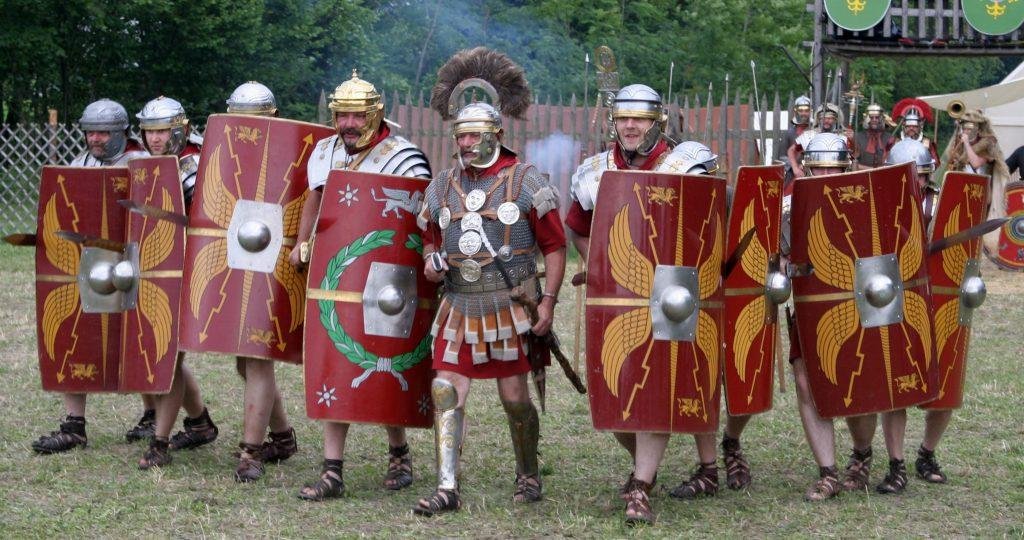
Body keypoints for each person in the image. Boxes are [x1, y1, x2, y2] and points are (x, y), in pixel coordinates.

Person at [412, 47, 565, 516]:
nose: (465, 143)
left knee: (515, 398)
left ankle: (528, 473)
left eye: (475, 134)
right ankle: (446, 486)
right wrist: (431, 263)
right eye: (460, 135)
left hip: (509, 304)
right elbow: (428, 243)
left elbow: (556, 246)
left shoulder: (524, 181)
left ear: (496, 133)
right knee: (446, 391)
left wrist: (549, 303)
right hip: (458, 302)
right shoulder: (441, 186)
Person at [566, 84, 726, 525]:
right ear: (612, 121)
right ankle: (648, 467)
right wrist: (595, 259)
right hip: (624, 298)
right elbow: (578, 225)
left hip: (678, 293)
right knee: (623, 388)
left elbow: (717, 216)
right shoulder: (595, 171)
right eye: (623, 118)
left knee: (679, 381)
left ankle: (645, 484)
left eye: (639, 119)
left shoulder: (688, 163)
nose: (630, 126)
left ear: (658, 122)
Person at [292, 72, 431, 499]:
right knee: (337, 359)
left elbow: (421, 220)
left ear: (376, 114)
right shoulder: (325, 152)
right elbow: (316, 197)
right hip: (340, 275)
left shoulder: (403, 158)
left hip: (391, 282)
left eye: (357, 115)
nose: (348, 124)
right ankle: (332, 470)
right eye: (341, 115)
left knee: (385, 365)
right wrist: (301, 242)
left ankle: (399, 453)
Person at [31, 99, 154, 455]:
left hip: (134, 264)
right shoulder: (78, 165)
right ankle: (74, 425)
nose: (95, 139)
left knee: (139, 338)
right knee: (76, 332)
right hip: (93, 267)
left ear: (121, 132)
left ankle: (153, 413)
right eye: (90, 132)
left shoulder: (142, 165)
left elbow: (154, 215)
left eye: (103, 133)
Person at [786, 132, 877, 501]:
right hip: (809, 304)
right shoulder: (790, 204)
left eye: (832, 170)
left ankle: (861, 454)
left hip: (857, 302)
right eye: (817, 170)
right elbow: (780, 252)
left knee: (856, 382)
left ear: (846, 168)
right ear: (805, 169)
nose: (825, 177)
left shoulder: (864, 200)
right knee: (807, 383)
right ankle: (827, 472)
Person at [135, 96, 219, 469]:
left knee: (167, 358)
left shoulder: (197, 166)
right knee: (164, 353)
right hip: (151, 268)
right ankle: (199, 423)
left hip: (186, 270)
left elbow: (208, 225)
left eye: (161, 131)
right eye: (149, 131)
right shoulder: (147, 164)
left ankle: (159, 442)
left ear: (179, 130)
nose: (154, 139)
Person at [777, 95, 813, 185]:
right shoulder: (788, 133)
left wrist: (806, 166)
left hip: (813, 172)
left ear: (810, 112)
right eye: (800, 111)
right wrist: (795, 168)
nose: (803, 113)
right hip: (792, 173)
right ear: (796, 111)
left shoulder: (815, 132)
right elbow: (782, 157)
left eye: (806, 111)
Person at [853, 102, 894, 169]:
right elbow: (852, 162)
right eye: (871, 117)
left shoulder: (890, 138)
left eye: (877, 117)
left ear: (881, 119)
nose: (874, 120)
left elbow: (893, 162)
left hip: (883, 175)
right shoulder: (858, 137)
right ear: (866, 119)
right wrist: (872, 170)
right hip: (862, 176)